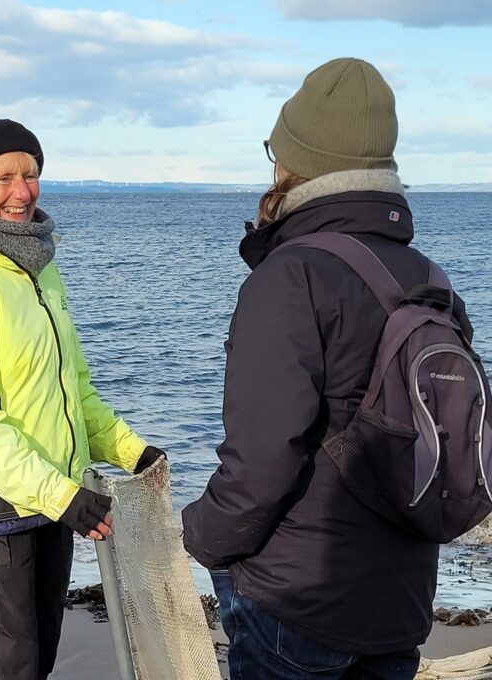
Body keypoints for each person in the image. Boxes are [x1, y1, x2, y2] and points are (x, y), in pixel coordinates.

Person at [182, 58, 475, 679]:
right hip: (400, 598)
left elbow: (263, 457)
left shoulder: (291, 275)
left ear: (295, 161)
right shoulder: (429, 280)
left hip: (298, 599)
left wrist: (202, 537)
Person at [0, 119, 164, 680]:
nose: (21, 192)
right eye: (4, 178)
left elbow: (74, 391)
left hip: (51, 499)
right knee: (12, 665)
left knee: (38, 657)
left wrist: (131, 450)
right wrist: (62, 497)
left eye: (31, 175)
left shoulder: (39, 274)